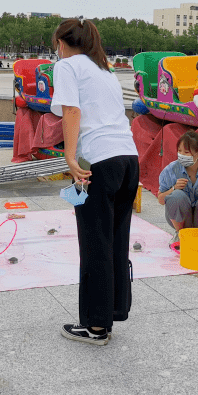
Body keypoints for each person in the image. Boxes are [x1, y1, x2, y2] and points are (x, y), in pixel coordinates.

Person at [51, 17, 139, 346]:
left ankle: (96, 327)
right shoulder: (104, 70)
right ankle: (111, 313)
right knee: (115, 241)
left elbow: (71, 112)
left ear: (62, 42)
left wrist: (70, 157)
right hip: (128, 160)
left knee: (94, 244)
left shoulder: (68, 66)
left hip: (98, 162)